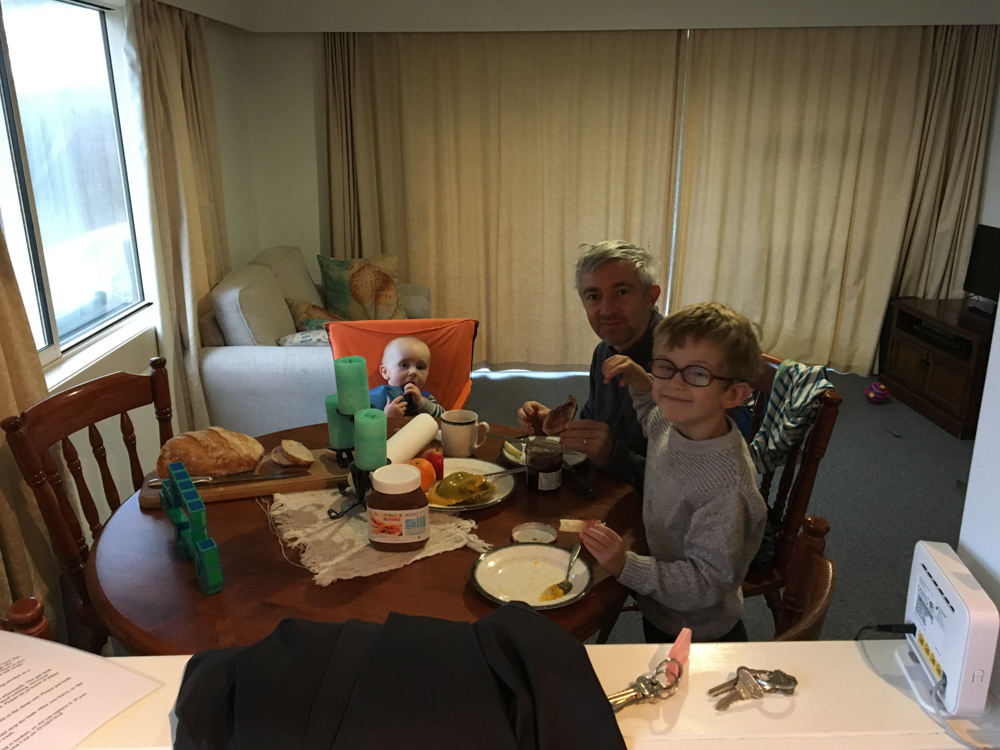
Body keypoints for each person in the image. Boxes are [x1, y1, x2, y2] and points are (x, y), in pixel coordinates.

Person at [580, 302, 767, 643]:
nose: (673, 385)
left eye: (697, 374)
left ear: (733, 395)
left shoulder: (726, 487)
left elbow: (706, 582)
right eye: (665, 367)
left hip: (697, 630)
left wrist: (625, 566)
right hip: (660, 599)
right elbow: (652, 414)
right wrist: (642, 381)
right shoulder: (676, 422)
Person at [518, 241, 661, 488]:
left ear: (650, 296)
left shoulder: (683, 362)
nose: (606, 309)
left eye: (622, 292)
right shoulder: (603, 352)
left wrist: (612, 456)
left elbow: (693, 482)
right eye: (594, 296)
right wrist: (555, 427)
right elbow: (591, 430)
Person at [369, 336, 445, 418]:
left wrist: (421, 402)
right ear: (385, 372)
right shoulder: (375, 398)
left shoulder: (425, 398)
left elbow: (444, 418)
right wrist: (387, 417)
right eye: (404, 365)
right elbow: (365, 424)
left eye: (420, 367)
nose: (413, 372)